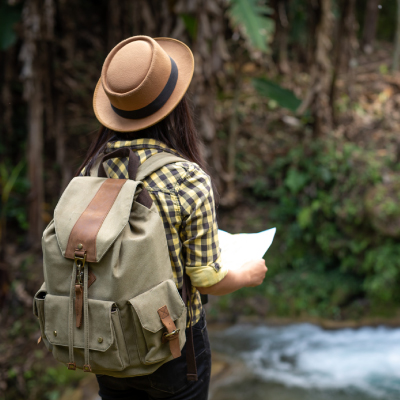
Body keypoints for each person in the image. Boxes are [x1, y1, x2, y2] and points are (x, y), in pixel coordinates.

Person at [77, 35, 267, 400]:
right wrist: (247, 275)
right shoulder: (186, 178)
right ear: (177, 106)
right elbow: (206, 279)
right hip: (174, 346)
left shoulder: (90, 171)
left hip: (105, 341)